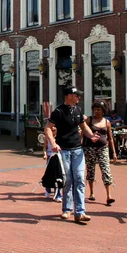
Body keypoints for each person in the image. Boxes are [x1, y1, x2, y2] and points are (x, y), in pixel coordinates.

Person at [44, 87, 99, 224]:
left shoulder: (78, 109)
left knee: (80, 179)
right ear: (69, 96)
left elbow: (83, 126)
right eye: (77, 95)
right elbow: (47, 128)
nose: (79, 98)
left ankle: (80, 211)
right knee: (67, 180)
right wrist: (53, 143)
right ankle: (67, 209)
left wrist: (91, 135)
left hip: (78, 150)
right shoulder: (58, 111)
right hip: (64, 150)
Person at [83, 101, 117, 206]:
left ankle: (109, 195)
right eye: (95, 109)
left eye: (98, 109)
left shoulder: (107, 122)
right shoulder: (89, 120)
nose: (96, 111)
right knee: (90, 170)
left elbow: (110, 138)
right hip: (90, 148)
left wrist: (114, 152)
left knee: (106, 170)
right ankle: (92, 192)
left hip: (103, 148)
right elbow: (83, 132)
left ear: (103, 111)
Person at [43, 125, 62, 202]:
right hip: (50, 157)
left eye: (55, 128)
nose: (53, 129)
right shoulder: (47, 138)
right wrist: (44, 154)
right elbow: (45, 147)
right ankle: (48, 189)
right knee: (49, 174)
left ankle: (58, 194)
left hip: (58, 158)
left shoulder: (60, 137)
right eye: (52, 129)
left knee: (58, 175)